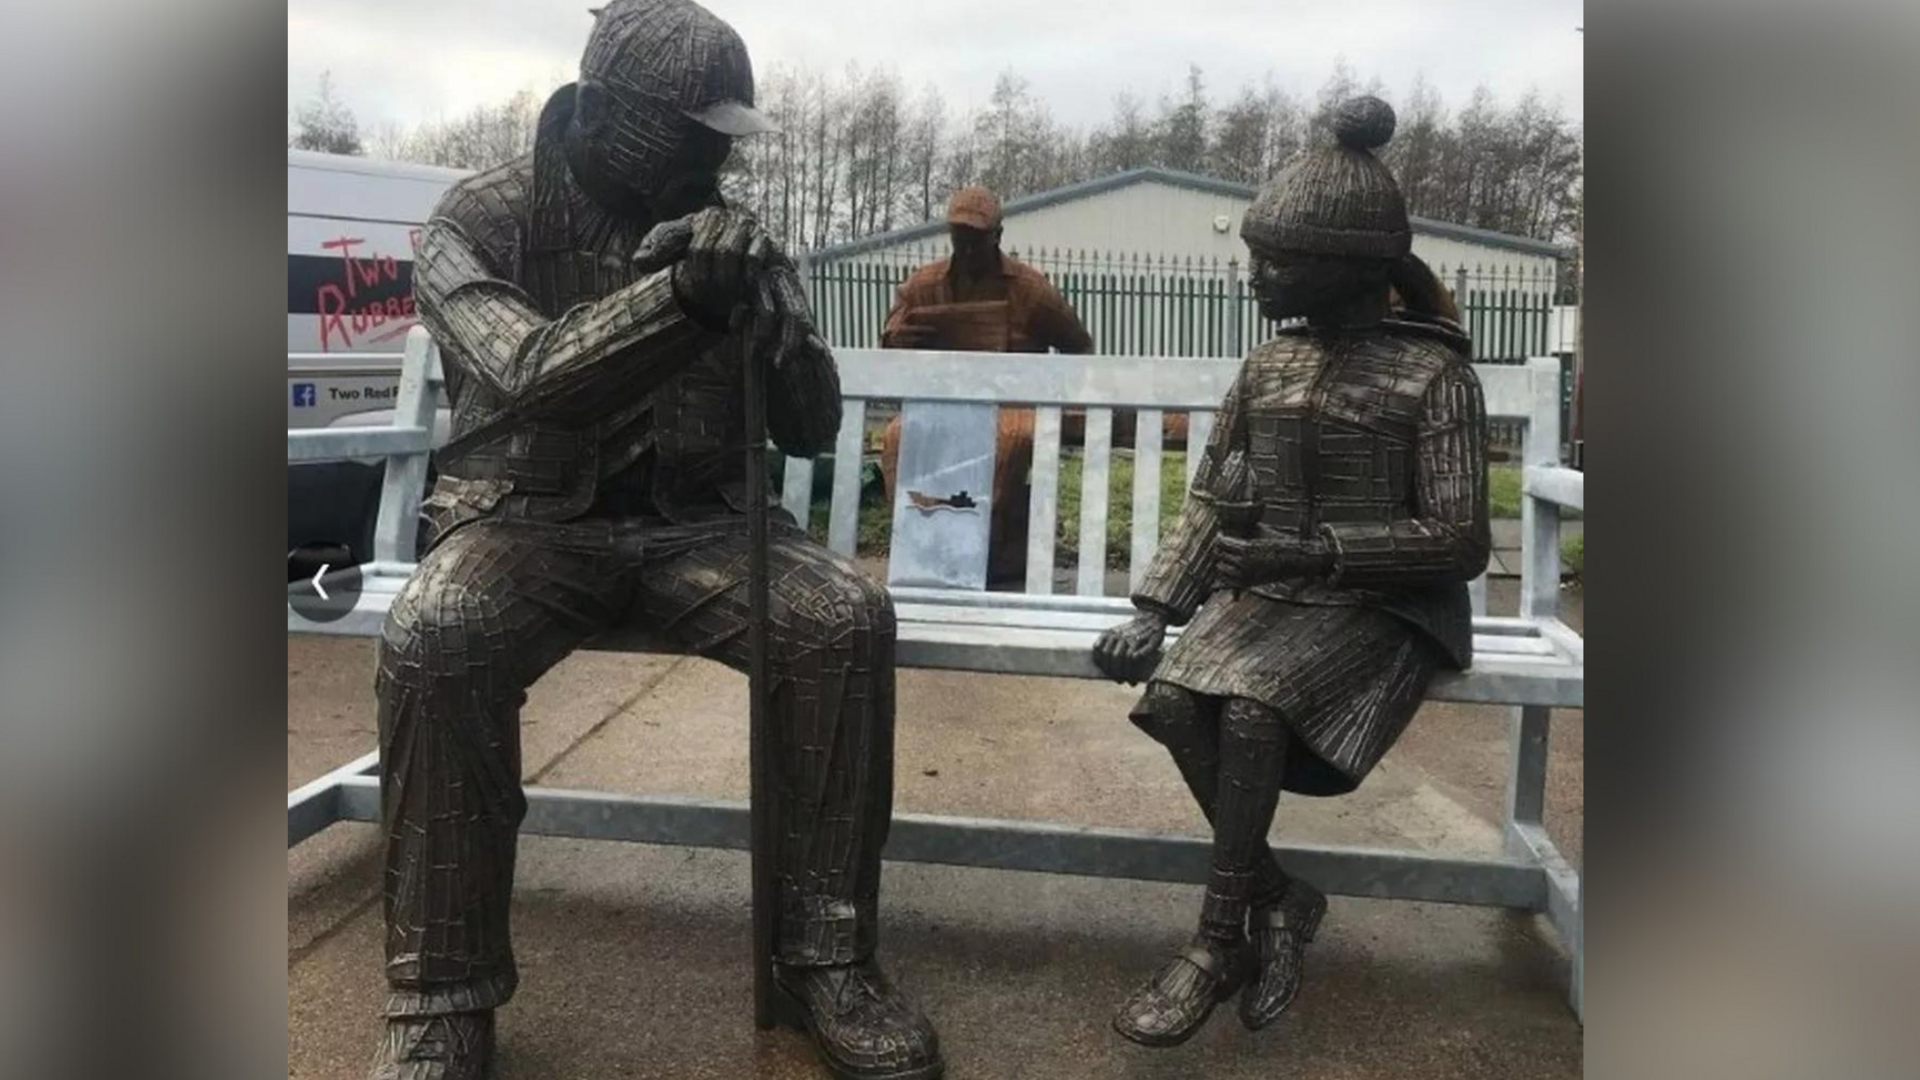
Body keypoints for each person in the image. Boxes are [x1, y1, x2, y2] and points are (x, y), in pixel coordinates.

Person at [368, 3, 942, 1078]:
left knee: (842, 620)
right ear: (607, 114)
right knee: (436, 637)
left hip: (703, 526)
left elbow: (814, 429)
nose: (718, 153)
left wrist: (777, 325)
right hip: (527, 521)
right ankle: (440, 993)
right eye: (696, 130)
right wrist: (679, 298)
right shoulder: (477, 221)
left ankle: (826, 958)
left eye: (726, 133)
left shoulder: (729, 229)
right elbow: (535, 374)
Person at [1090, 96, 1491, 1048]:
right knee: (1179, 699)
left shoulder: (1433, 376)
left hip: (1390, 605)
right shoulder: (1268, 366)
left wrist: (1316, 552)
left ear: (1342, 265)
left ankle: (1215, 939)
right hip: (1271, 595)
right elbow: (1211, 497)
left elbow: (1460, 538)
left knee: (1258, 704)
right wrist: (1155, 608)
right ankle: (1279, 897)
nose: (1256, 278)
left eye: (1273, 262)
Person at [879, 186, 1093, 582]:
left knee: (1010, 439)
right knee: (898, 436)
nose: (968, 248)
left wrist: (1058, 397)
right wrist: (899, 340)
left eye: (977, 238)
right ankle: (922, 543)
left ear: (998, 234)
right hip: (943, 398)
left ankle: (977, 548)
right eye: (960, 238)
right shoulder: (923, 285)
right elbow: (889, 341)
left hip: (1013, 400)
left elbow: (1079, 345)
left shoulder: (1030, 289)